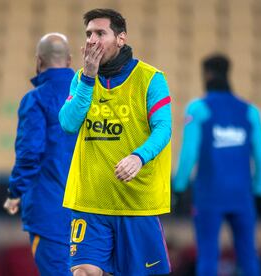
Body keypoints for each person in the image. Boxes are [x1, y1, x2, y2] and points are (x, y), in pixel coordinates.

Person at [59, 9, 172, 276]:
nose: (92, 41)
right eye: (88, 34)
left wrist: (138, 156)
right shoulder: (80, 78)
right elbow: (68, 123)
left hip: (136, 203)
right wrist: (88, 78)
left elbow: (163, 129)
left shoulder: (151, 79)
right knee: (83, 272)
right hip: (90, 200)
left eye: (100, 33)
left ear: (121, 38)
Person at [174, 54, 261, 276]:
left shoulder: (197, 109)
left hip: (209, 195)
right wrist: (260, 190)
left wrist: (178, 187)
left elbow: (188, 154)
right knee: (248, 257)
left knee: (207, 256)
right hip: (242, 195)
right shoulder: (250, 111)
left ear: (206, 74)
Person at [3, 33, 77, 276]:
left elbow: (29, 153)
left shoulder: (35, 100)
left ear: (38, 61)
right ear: (69, 61)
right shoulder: (96, 97)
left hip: (50, 209)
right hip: (95, 212)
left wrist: (15, 192)